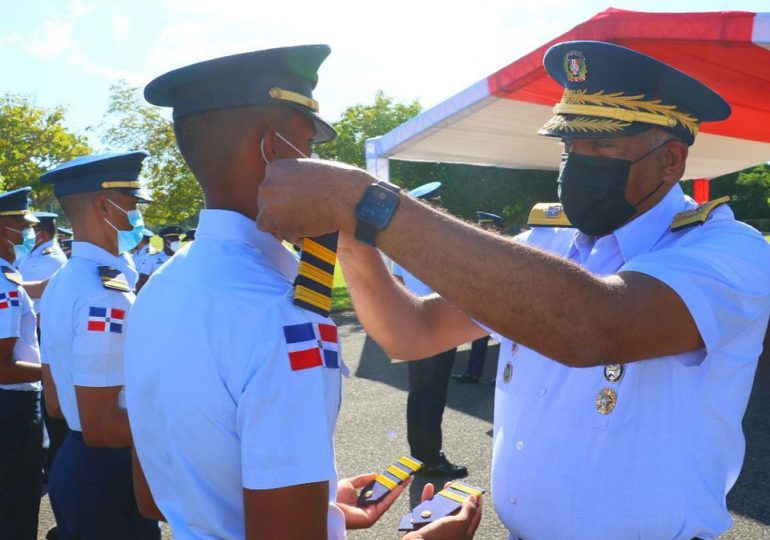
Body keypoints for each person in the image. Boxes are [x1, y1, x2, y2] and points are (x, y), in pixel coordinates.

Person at [256, 40, 770, 539]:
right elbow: (411, 332)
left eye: (603, 145)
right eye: (570, 146)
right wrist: (352, 238)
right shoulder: (549, 240)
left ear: (671, 160)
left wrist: (371, 204)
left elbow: (595, 326)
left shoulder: (726, 251)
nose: (578, 162)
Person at [126, 45, 479, 540]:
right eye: (310, 149)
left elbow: (155, 498)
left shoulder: (158, 287)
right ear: (274, 150)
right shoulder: (284, 315)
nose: (320, 165)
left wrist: (322, 510)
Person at [39, 151, 160, 540]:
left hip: (81, 466)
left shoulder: (65, 279)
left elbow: (56, 403)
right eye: (132, 204)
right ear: (102, 204)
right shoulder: (102, 294)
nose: (137, 215)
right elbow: (103, 427)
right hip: (110, 476)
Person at [392, 181, 467, 478]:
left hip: (413, 324)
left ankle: (419, 456)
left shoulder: (398, 241)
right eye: (436, 204)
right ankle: (431, 459)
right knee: (432, 395)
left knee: (419, 393)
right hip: (436, 326)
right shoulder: (437, 241)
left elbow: (397, 283)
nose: (440, 209)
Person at [0, 188, 44, 540]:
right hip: (12, 408)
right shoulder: (6, 285)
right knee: (17, 507)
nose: (29, 232)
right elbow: (3, 367)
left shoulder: (11, 280)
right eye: (22, 225)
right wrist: (56, 372)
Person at [15, 211, 69, 481]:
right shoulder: (35, 254)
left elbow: (34, 291)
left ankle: (54, 460)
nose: (25, 235)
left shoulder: (52, 259)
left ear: (42, 234)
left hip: (40, 329)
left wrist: (9, 285)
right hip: (27, 326)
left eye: (28, 229)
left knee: (50, 400)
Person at [452, 212, 503, 384]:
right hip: (482, 303)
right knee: (478, 339)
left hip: (502, 303)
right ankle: (473, 372)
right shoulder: (479, 248)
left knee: (506, 342)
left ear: (495, 228)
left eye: (485, 226)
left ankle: (503, 376)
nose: (480, 229)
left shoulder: (508, 249)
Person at [135, 225, 183, 291]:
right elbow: (141, 282)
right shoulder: (152, 258)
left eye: (178, 238)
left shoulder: (182, 258)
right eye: (173, 238)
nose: (177, 240)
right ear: (166, 241)